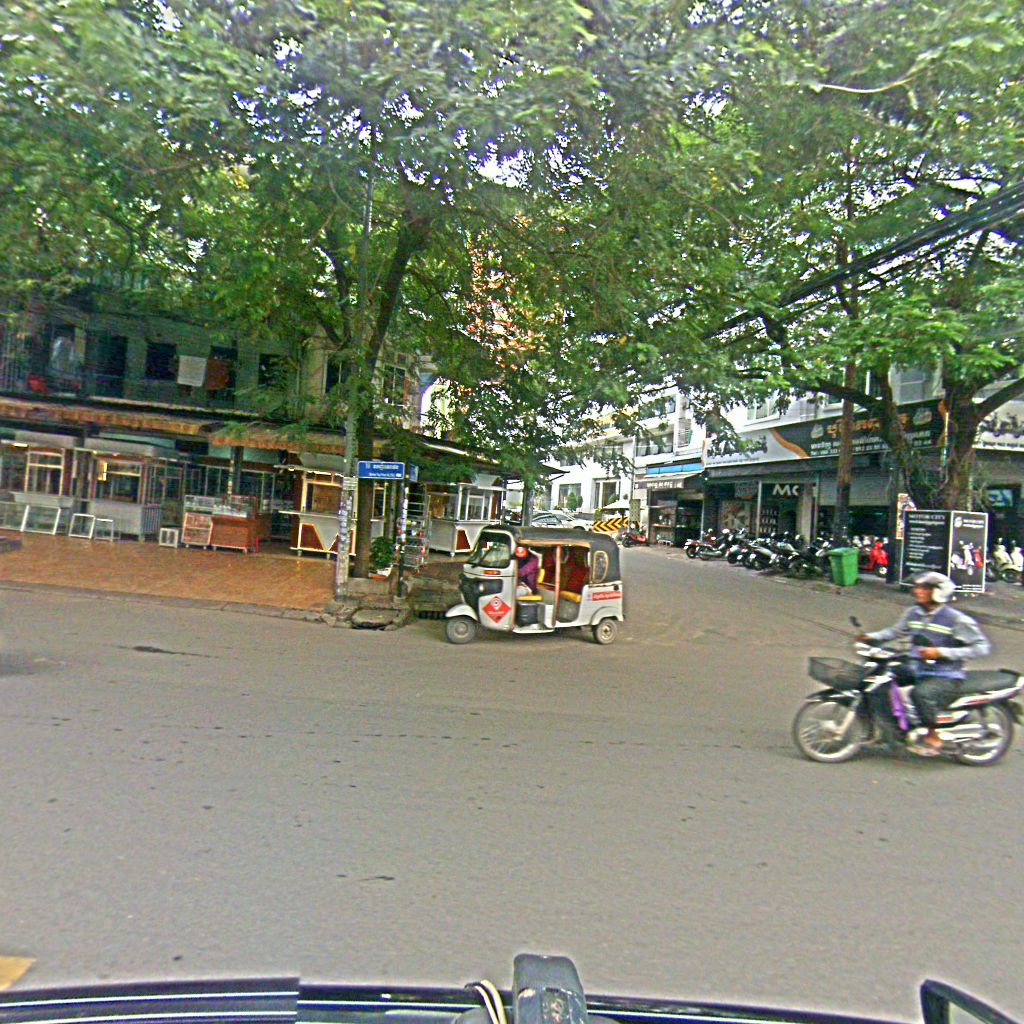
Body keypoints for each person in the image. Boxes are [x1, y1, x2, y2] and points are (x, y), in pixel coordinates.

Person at [859, 571, 991, 755]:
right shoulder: (914, 613)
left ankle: (933, 735)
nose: (918, 591)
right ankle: (889, 728)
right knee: (879, 680)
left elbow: (982, 647)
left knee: (920, 694)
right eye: (918, 587)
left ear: (939, 592)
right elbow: (895, 631)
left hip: (945, 674)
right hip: (917, 667)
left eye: (925, 588)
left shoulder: (956, 619)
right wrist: (871, 637)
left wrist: (941, 652)